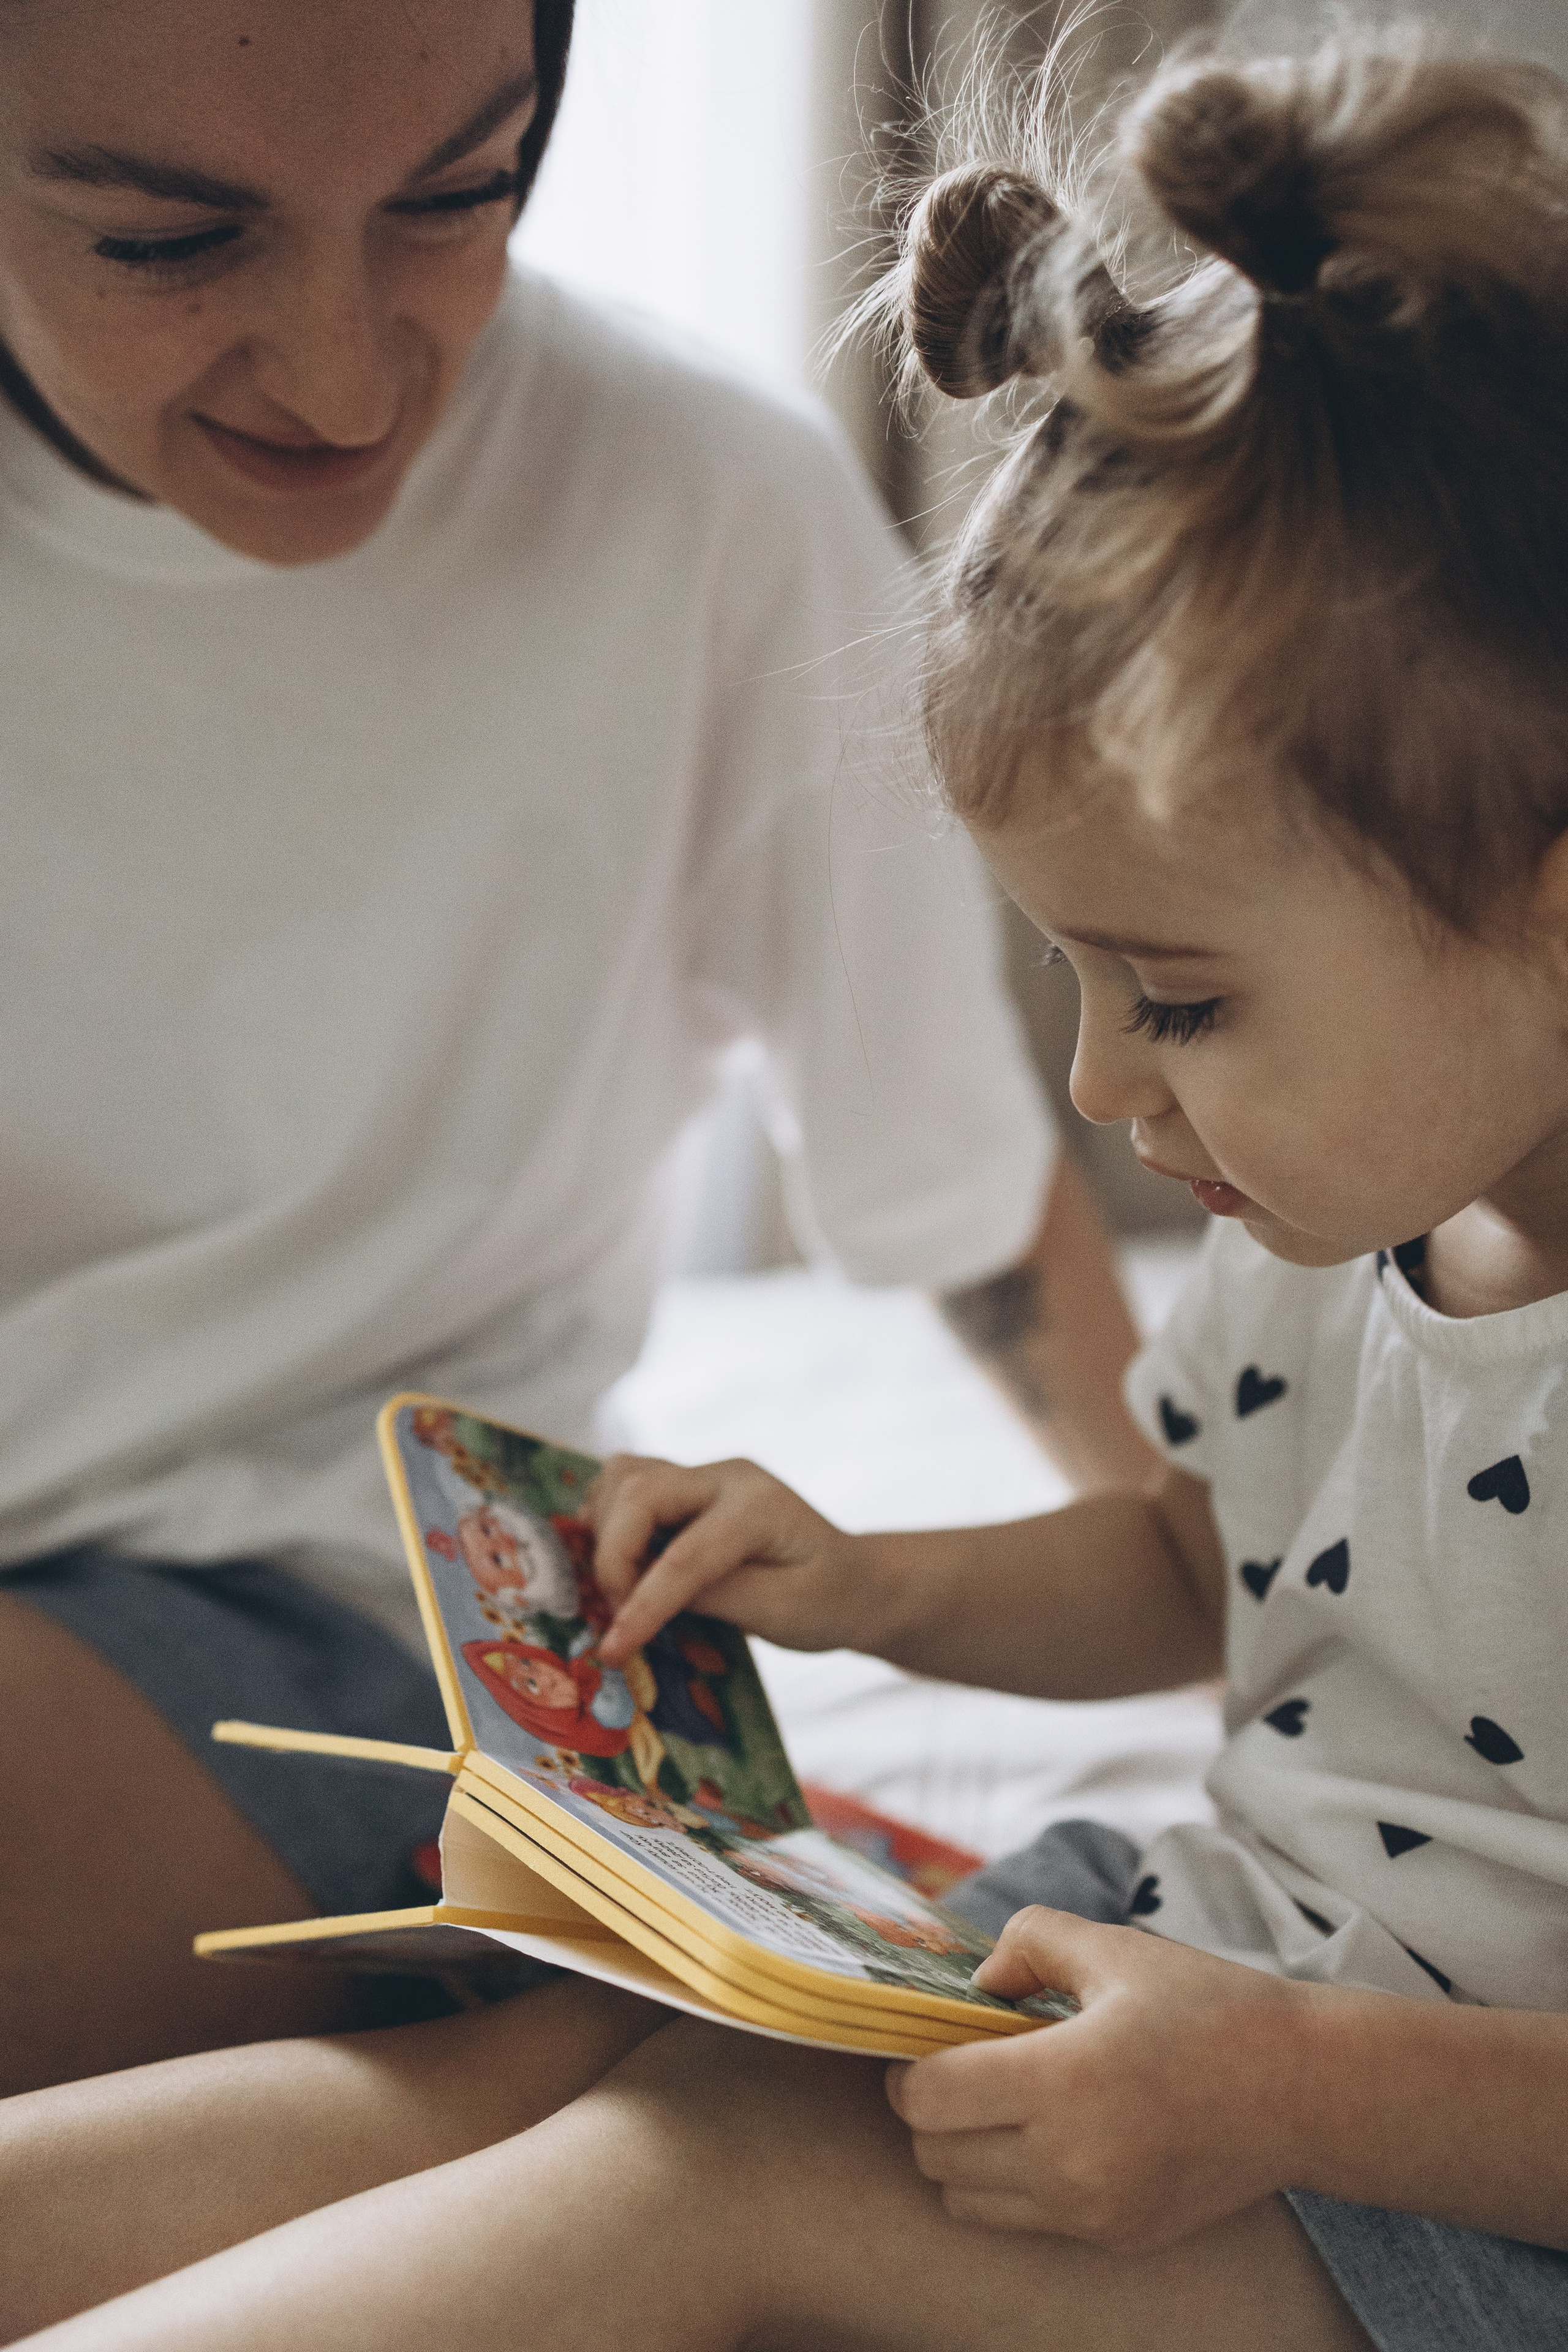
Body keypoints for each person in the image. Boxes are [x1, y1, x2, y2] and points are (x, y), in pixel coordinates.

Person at [24, 18, 1568, 2352]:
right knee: (577, 2056)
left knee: (707, 2185)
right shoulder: (1347, 1228)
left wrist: (1296, 2086)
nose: (1105, 1091)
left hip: (1416, 2158)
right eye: (1081, 979)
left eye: (1184, 998)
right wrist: (867, 1583)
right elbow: (1188, 1564)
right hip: (1213, 1979)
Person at [0, 0, 1155, 2097]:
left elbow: (968, 1208)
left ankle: (601, 2094)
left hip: (354, 1599)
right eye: (170, 244)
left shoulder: (699, 508)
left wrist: (1271, 1627)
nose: (349, 379)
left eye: (459, 200)